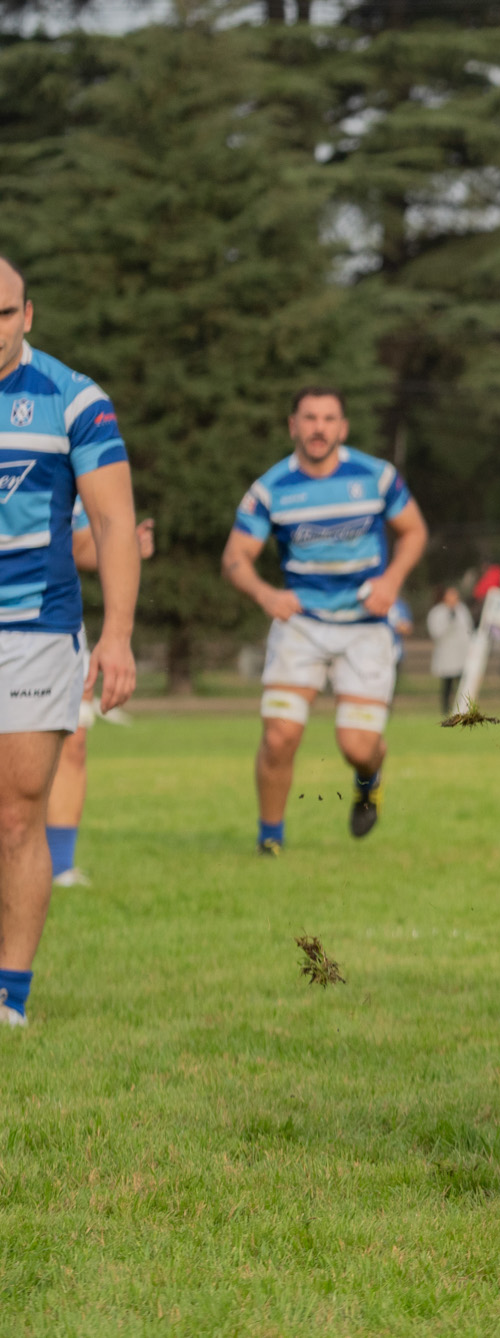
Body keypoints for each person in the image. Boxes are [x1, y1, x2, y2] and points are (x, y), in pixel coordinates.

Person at [0, 254, 140, 1027]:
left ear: (28, 315)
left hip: (35, 630)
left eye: (4, 313)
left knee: (17, 818)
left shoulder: (74, 399)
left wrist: (116, 637)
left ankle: (8, 998)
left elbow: (115, 523)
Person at [222, 388, 428, 853]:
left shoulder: (376, 476)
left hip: (365, 626)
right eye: (309, 418)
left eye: (329, 418)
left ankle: (368, 777)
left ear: (343, 427)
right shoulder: (271, 488)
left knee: (356, 745)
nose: (319, 428)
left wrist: (392, 582)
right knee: (279, 737)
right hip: (302, 624)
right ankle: (270, 840)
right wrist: (264, 592)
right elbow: (235, 557)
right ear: (292, 425)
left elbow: (414, 531)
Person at [47, 502, 155, 888]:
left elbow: (75, 547)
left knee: (73, 740)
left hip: (52, 622)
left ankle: (60, 868)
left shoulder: (60, 454)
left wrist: (121, 548)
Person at [426, 586, 473, 715]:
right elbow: (436, 632)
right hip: (446, 654)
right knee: (447, 685)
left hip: (461, 653)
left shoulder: (462, 610)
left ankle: (462, 709)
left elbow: (468, 630)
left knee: (461, 685)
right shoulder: (437, 612)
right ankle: (445, 710)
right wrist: (449, 621)